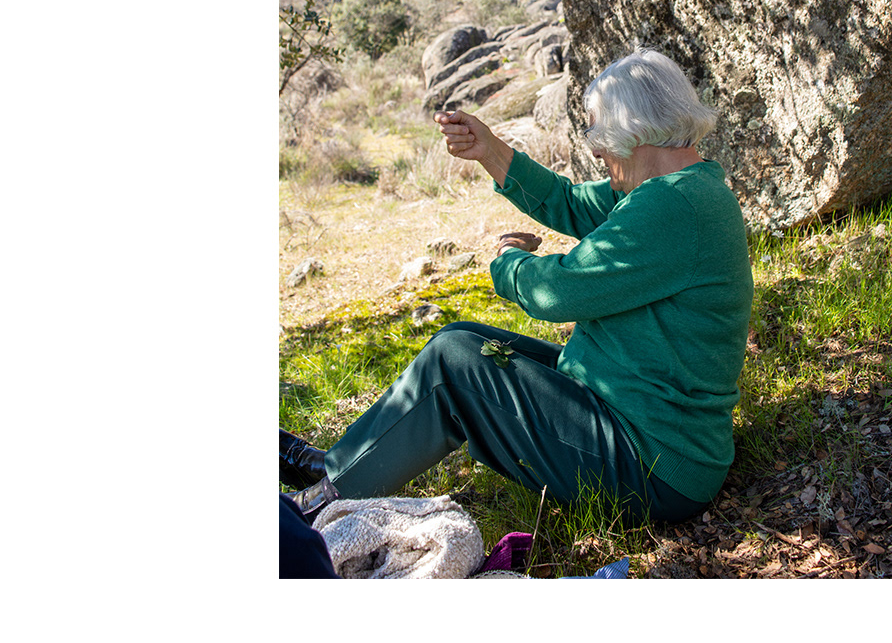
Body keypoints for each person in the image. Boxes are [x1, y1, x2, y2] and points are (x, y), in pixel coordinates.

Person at [280, 49, 754, 524]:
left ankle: (313, 509)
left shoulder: (672, 205)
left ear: (634, 129)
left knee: (454, 362)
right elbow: (568, 201)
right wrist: (490, 150)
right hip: (632, 419)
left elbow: (557, 292)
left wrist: (509, 261)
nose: (596, 150)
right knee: (461, 338)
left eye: (599, 134)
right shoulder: (676, 190)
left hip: (653, 464)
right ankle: (340, 470)